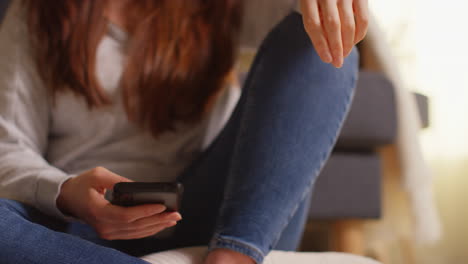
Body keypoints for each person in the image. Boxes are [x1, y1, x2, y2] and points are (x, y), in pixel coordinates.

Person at [0, 0, 368, 263]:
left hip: (212, 216)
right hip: (75, 226)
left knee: (325, 43)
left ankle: (233, 258)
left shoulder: (219, 7)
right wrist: (66, 193)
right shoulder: (36, 12)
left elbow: (322, 22)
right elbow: (8, 147)